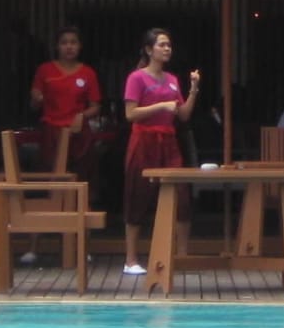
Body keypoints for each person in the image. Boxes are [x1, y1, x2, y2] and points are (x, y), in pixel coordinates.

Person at [122, 28, 200, 276]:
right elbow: (130, 114)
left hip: (168, 140)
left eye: (169, 45)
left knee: (182, 195)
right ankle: (131, 259)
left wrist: (193, 89)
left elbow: (183, 115)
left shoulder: (172, 79)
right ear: (149, 49)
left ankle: (182, 257)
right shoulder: (136, 78)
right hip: (144, 140)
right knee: (138, 194)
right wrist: (160, 106)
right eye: (161, 45)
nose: (167, 49)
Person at [30, 25, 103, 170]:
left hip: (78, 132)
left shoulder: (88, 73)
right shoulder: (44, 70)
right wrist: (36, 99)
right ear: (57, 46)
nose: (69, 46)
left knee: (81, 174)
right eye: (64, 43)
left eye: (73, 42)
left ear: (80, 46)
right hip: (51, 131)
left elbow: (96, 106)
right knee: (52, 173)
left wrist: (81, 116)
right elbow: (34, 104)